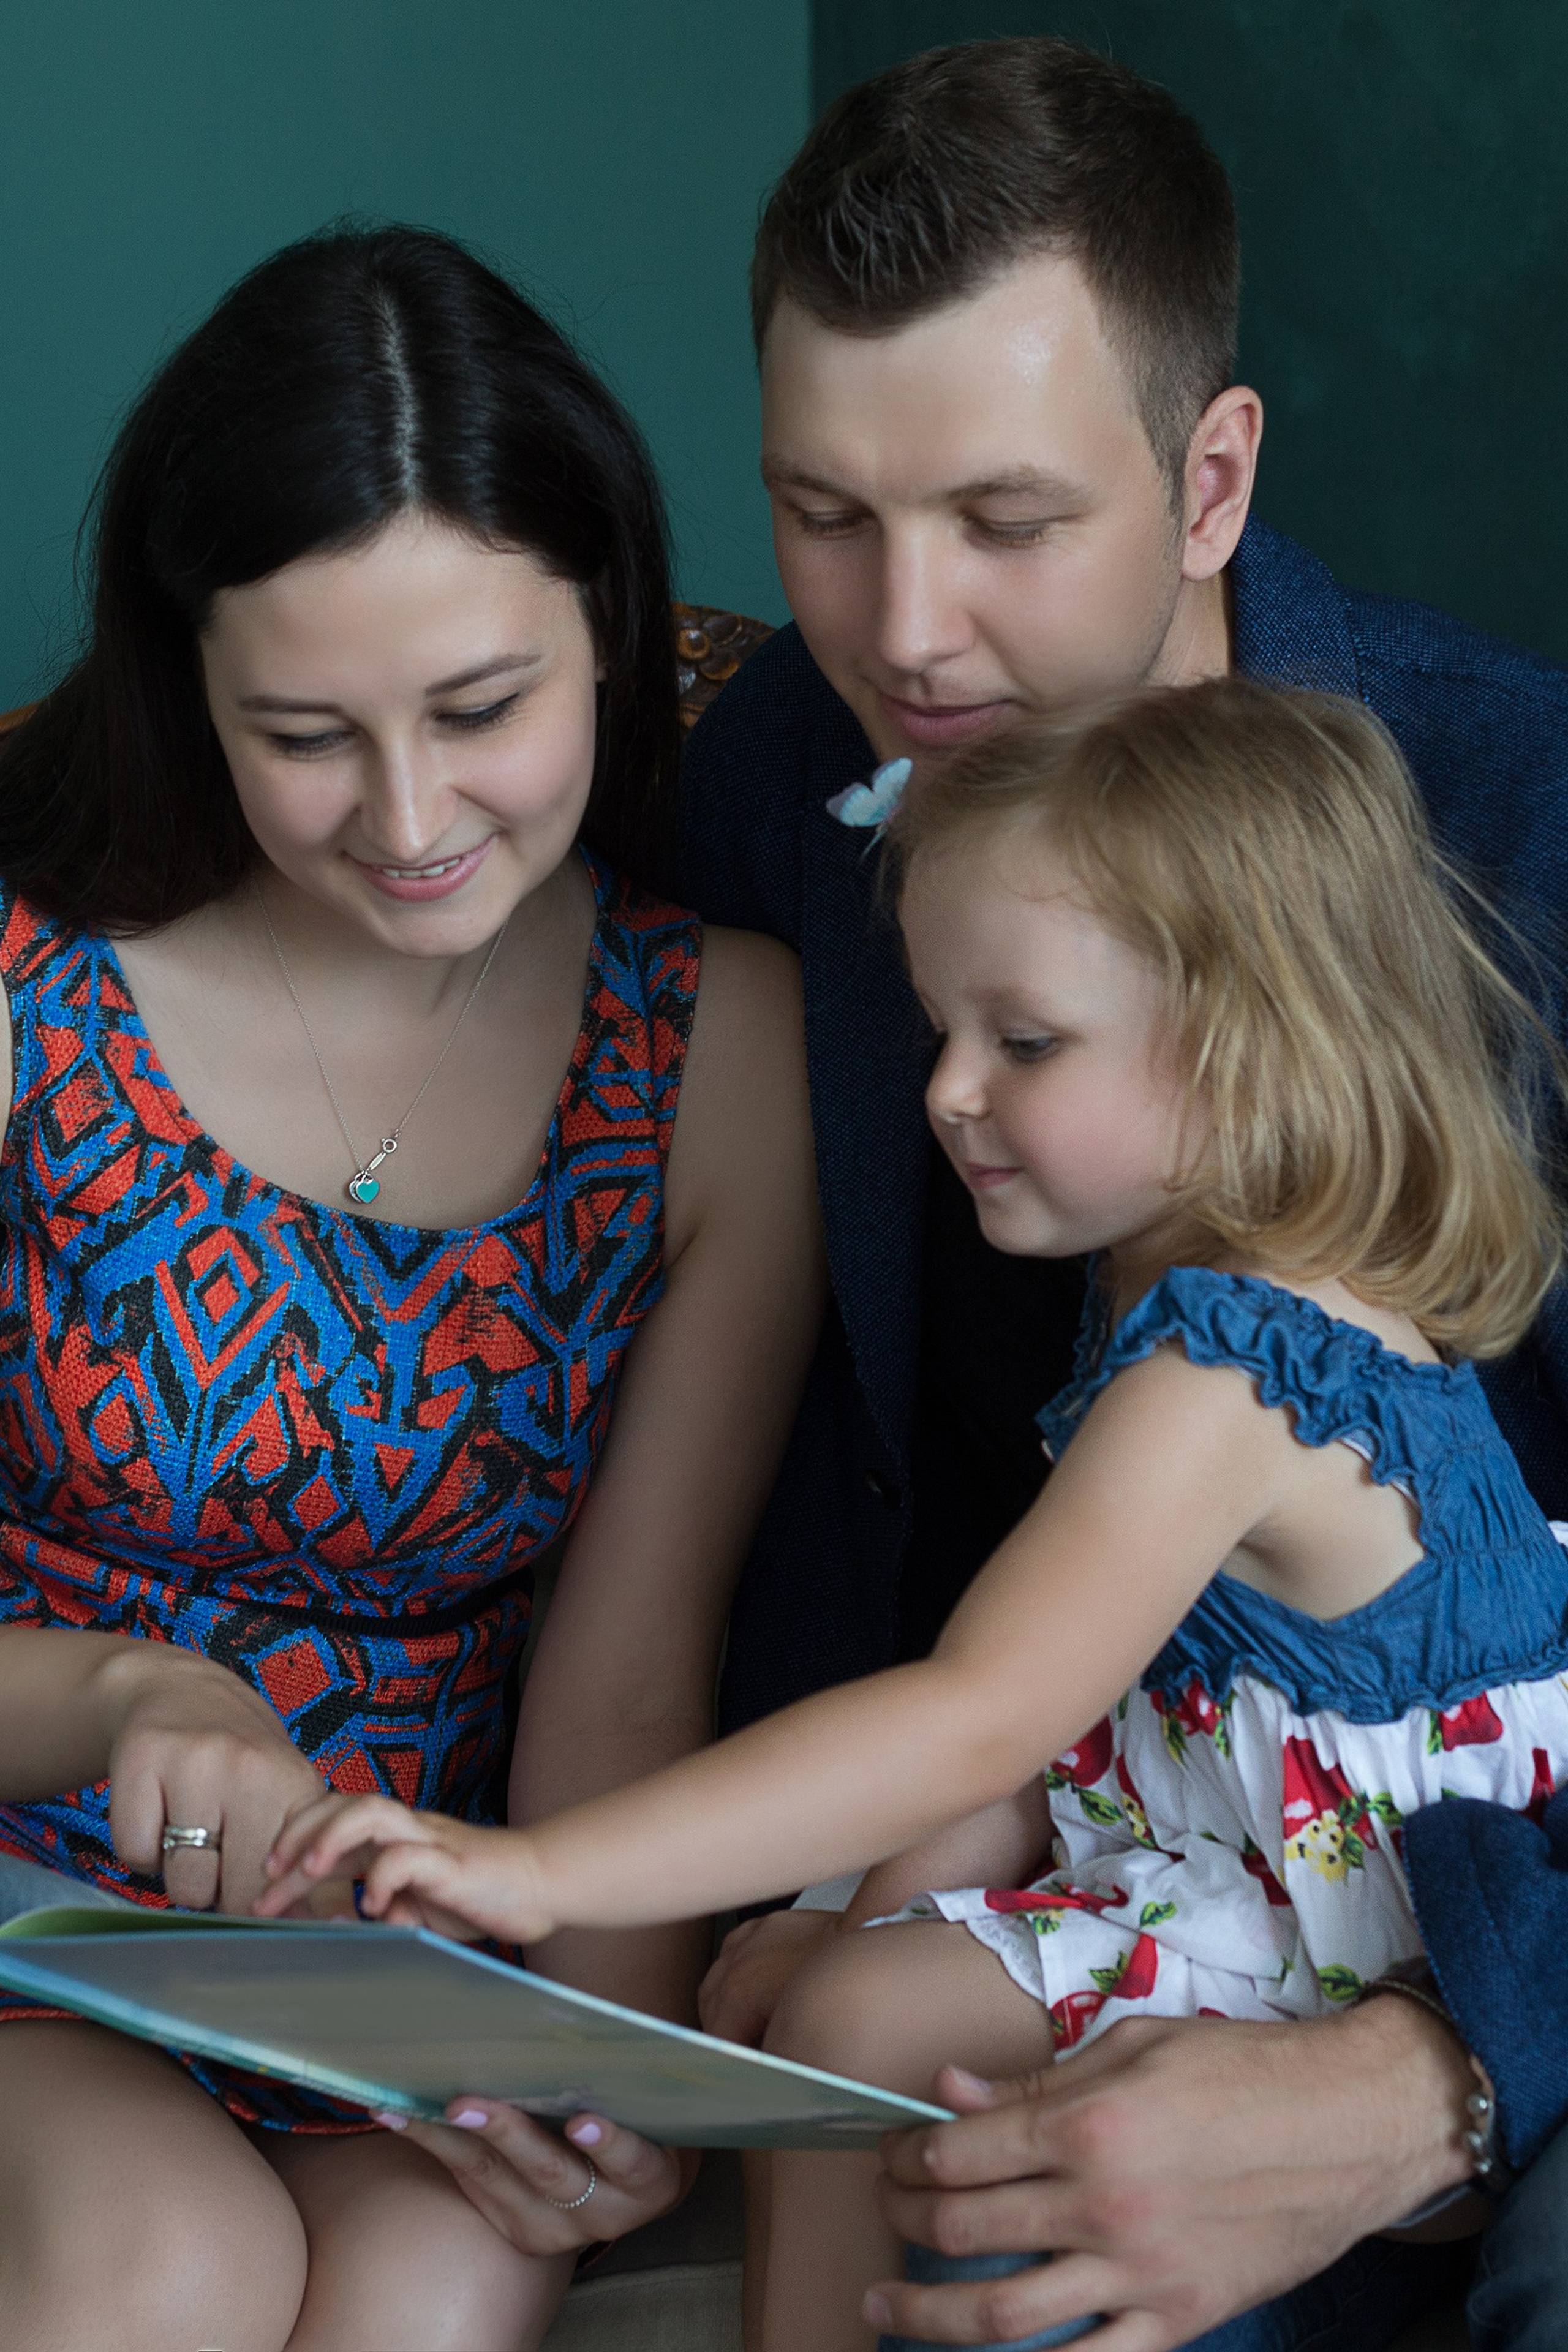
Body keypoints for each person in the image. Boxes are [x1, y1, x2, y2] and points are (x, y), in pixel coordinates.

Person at [264, 677, 1568, 2352]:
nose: (948, 1091)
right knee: (847, 1992)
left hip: (1393, 1933)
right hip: (1246, 1854)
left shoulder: (1238, 1370)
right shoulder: (1175, 1292)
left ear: (1251, 1057)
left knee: (865, 2016)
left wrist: (537, 1867)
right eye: (943, 1027)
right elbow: (1086, 1720)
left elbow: (979, 1716)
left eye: (1023, 1042)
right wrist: (864, 1911)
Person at [670, 34, 1568, 2350]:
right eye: (822, 514)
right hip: (1004, 1884)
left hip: (1459, 1926)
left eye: (1007, 518)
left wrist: (1434, 2081)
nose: (903, 630)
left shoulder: (1519, 831)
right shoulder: (794, 762)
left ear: (1212, 477)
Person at [0, 225, 824, 2352]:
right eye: (306, 734)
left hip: (399, 1949)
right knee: (168, 2256)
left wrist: (594, 2070)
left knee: (442, 2291)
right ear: (189, 679)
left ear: (615, 630)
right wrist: (125, 1699)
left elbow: (628, 1665)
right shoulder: (31, 990)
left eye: (482, 710)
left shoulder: (715, 1045)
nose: (410, 820)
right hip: (31, 1889)